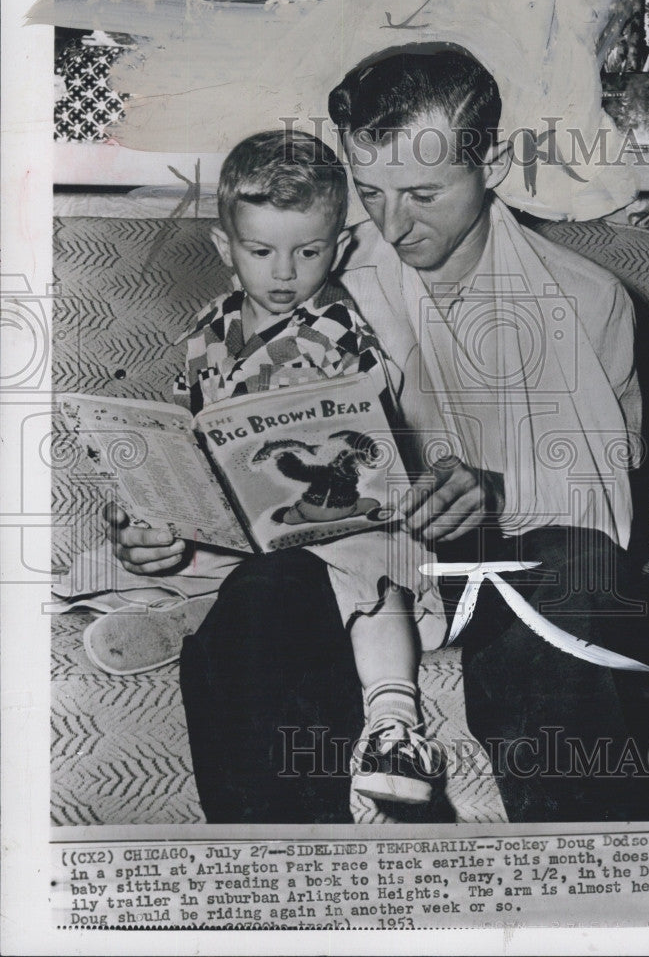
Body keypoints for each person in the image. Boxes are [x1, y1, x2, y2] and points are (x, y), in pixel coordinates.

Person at [107, 47, 649, 824]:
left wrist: (493, 491)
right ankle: (280, 901)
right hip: (357, 563)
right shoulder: (313, 270)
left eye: (423, 192)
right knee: (262, 596)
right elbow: (245, 465)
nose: (393, 224)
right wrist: (175, 532)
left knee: (583, 578)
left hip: (509, 565)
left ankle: (604, 888)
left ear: (492, 161)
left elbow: (606, 505)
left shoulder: (591, 301)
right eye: (369, 191)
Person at [112, 128, 449, 807]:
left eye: (309, 251)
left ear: (341, 247)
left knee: (375, 568)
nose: (285, 274)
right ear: (224, 248)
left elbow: (378, 417)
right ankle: (172, 610)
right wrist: (153, 504)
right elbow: (189, 430)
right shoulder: (207, 330)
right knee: (135, 553)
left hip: (334, 526)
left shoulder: (341, 328)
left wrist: (340, 382)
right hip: (243, 537)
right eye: (261, 252)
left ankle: (393, 720)